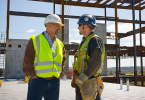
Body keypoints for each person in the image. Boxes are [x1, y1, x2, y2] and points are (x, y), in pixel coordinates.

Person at [23, 14, 66, 100]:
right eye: (57, 25)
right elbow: (28, 59)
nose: (59, 28)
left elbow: (63, 60)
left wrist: (60, 73)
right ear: (49, 25)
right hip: (38, 81)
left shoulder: (60, 44)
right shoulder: (35, 40)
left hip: (54, 81)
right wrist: (32, 75)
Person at [71, 14, 105, 100]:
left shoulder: (94, 40)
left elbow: (96, 62)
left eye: (79, 25)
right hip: (83, 82)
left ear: (85, 26)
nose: (78, 28)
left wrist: (83, 77)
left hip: (90, 83)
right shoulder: (85, 41)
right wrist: (77, 80)